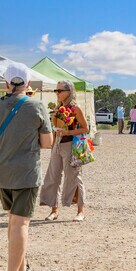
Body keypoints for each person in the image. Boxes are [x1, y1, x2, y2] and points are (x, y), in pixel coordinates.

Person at [0, 63, 53, 271]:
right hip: (26, 172)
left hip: (0, 171)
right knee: (21, 222)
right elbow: (47, 143)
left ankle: (21, 269)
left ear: (6, 84)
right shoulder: (36, 106)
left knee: (13, 219)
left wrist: (2, 146)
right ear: (28, 84)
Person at [40, 80, 89, 222]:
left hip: (70, 145)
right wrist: (53, 142)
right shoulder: (58, 107)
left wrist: (67, 133)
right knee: (53, 176)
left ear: (69, 91)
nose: (57, 93)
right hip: (57, 145)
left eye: (59, 91)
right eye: (56, 91)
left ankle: (81, 211)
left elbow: (85, 128)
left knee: (74, 176)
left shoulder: (75, 108)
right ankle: (54, 211)